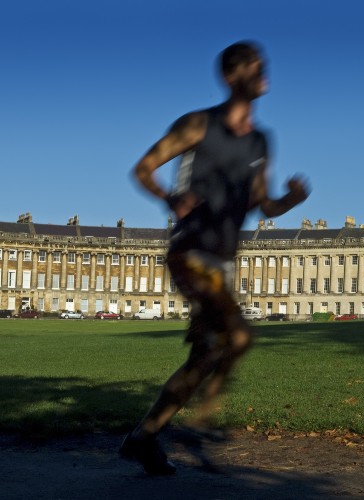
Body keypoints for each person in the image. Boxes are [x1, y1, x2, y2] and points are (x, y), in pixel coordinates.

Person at [120, 41, 309, 475]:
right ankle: (204, 420)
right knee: (239, 337)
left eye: (264, 66)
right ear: (230, 76)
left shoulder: (262, 140)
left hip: (220, 261)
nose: (263, 73)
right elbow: (143, 168)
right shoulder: (198, 124)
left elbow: (264, 204)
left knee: (204, 356)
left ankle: (144, 437)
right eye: (254, 67)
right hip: (190, 251)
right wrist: (170, 197)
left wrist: (292, 201)